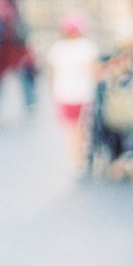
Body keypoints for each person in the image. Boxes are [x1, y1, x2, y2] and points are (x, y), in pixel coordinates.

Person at [45, 10, 99, 172]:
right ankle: (84, 153)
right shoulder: (88, 47)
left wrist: (52, 93)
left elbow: (51, 75)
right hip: (85, 94)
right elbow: (94, 72)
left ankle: (76, 161)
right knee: (85, 128)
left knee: (71, 130)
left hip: (64, 94)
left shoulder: (57, 49)